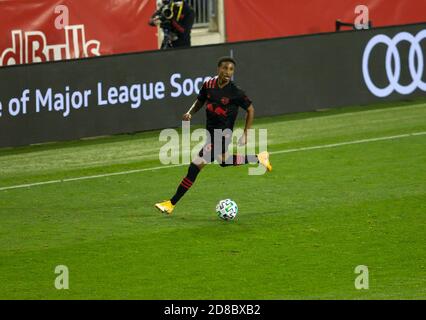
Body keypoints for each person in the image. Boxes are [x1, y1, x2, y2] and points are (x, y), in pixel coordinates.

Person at [155, 56, 272, 214]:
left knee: (194, 167)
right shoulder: (208, 84)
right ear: (218, 69)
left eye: (231, 69)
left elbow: (251, 110)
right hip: (211, 133)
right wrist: (190, 113)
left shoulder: (235, 92)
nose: (228, 72)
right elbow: (200, 101)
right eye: (225, 68)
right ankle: (259, 157)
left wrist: (246, 133)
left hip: (222, 135)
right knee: (223, 161)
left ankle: (171, 203)